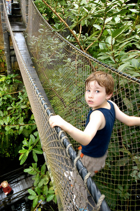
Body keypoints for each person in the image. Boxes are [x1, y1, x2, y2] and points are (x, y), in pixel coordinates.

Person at [49, 71, 140, 210]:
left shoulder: (97, 115)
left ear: (108, 94)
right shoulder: (111, 105)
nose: (90, 95)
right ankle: (74, 173)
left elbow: (85, 139)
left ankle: (80, 207)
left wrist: (63, 124)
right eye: (88, 90)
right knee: (79, 163)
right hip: (99, 156)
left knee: (79, 184)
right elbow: (129, 121)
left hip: (91, 158)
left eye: (97, 91)